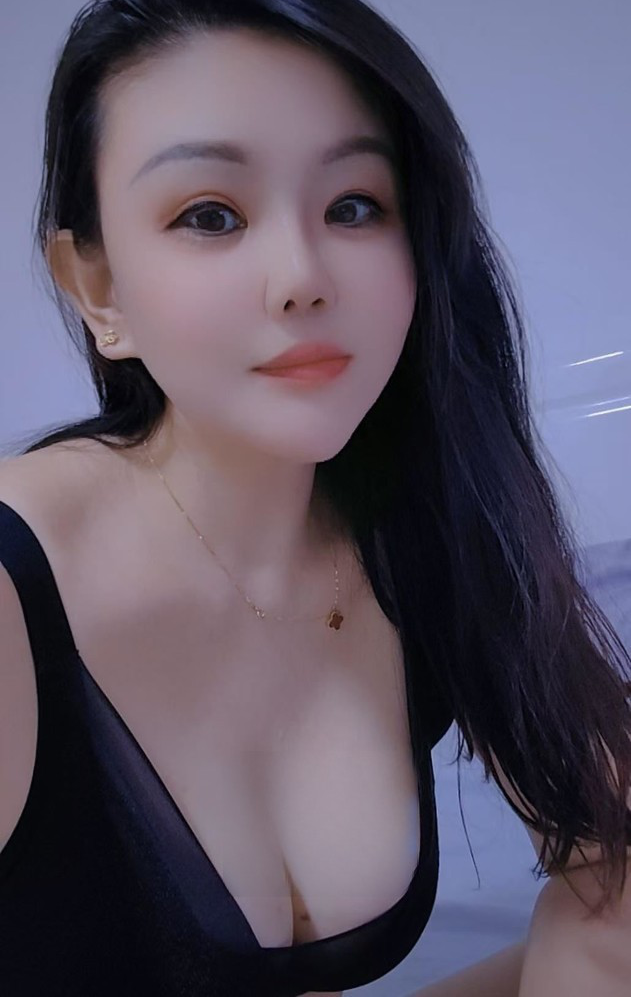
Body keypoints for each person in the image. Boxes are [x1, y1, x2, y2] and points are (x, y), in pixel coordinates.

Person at [0, 1, 629, 995]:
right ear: (98, 289)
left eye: (354, 206)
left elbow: (609, 842)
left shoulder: (418, 527)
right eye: (210, 215)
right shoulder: (16, 596)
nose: (301, 277)